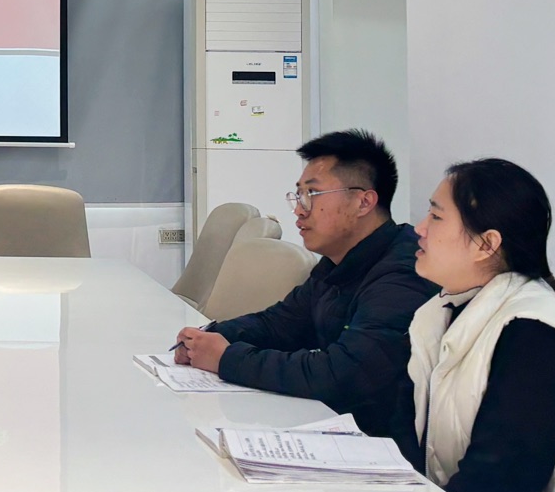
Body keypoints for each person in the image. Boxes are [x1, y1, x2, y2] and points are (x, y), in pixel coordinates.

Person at [393, 158, 555, 492]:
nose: (419, 229)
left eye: (436, 217)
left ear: (487, 244)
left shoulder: (535, 336)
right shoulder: (445, 310)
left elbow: (496, 488)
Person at [174, 129, 435, 436]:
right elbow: (280, 323)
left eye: (312, 195)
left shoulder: (403, 273)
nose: (299, 210)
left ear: (363, 202)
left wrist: (227, 359)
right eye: (298, 196)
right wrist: (208, 337)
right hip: (328, 425)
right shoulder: (338, 261)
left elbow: (343, 374)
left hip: (379, 445)